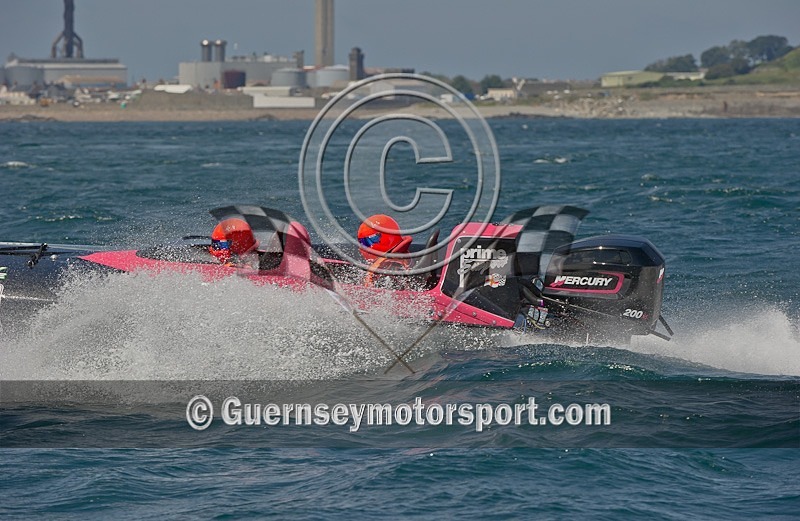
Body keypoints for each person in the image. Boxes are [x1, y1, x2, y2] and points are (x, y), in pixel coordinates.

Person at [357, 214, 413, 286]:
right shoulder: (401, 254)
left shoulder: (387, 262)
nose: (361, 246)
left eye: (365, 243)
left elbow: (368, 286)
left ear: (383, 241)